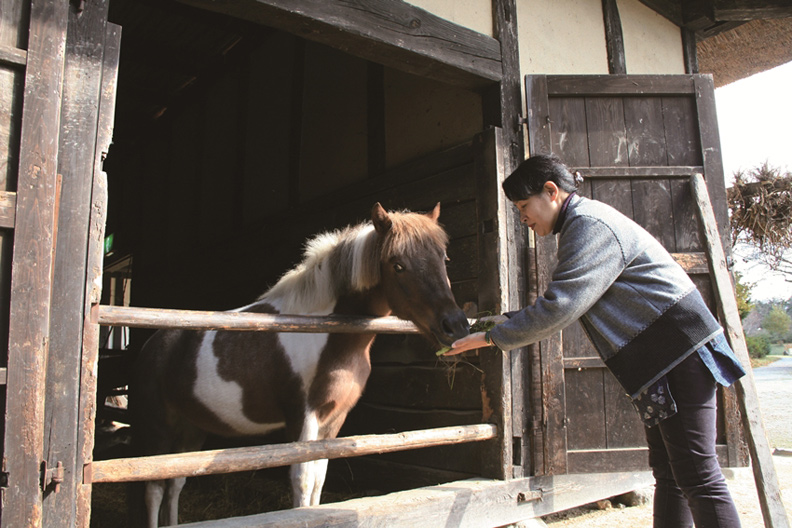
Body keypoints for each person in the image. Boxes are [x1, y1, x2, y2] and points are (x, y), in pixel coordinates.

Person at [444, 154, 746, 528]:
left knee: (699, 476)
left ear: (551, 192)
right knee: (670, 473)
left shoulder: (589, 224)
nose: (523, 218)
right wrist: (486, 325)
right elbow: (558, 303)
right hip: (664, 360)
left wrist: (490, 338)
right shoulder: (582, 223)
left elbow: (560, 308)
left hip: (678, 352)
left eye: (524, 206)